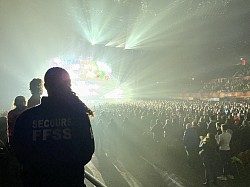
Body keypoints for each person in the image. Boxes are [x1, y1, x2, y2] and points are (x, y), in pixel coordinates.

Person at [12, 67, 95, 187]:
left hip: (35, 181)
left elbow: (19, 152)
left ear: (45, 86)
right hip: (70, 181)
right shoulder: (79, 116)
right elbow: (87, 151)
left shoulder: (25, 118)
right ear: (69, 85)